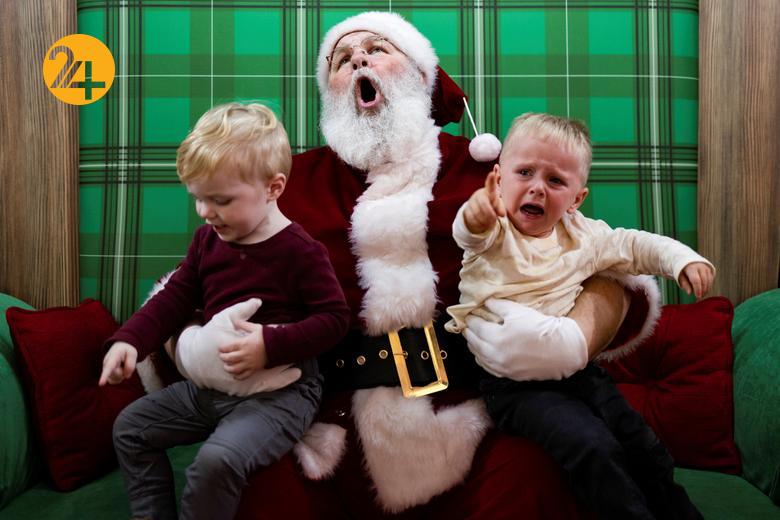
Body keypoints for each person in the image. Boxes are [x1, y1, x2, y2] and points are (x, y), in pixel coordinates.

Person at [172, 12, 665, 519]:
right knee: (253, 491)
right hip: (321, 429)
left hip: (473, 416)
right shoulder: (287, 186)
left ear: (421, 75)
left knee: (535, 478)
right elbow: (190, 292)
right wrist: (195, 347)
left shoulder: (493, 173)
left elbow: (605, 267)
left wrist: (576, 336)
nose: (358, 59)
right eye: (341, 59)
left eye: (377, 49)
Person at [447, 112, 711, 519]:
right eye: (524, 172)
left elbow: (633, 246)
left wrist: (682, 260)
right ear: (499, 180)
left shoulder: (583, 236)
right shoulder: (495, 230)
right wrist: (477, 213)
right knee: (591, 446)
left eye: (555, 181)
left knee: (642, 443)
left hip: (580, 374)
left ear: (576, 199)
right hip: (514, 388)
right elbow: (468, 233)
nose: (537, 187)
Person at [98, 102, 350, 520]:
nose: (204, 212)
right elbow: (174, 299)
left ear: (273, 188)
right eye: (197, 198)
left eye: (219, 200)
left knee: (216, 461)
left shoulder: (301, 251)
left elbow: (334, 320)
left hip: (280, 394)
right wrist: (130, 341)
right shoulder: (207, 243)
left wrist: (269, 345)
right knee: (130, 428)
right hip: (210, 389)